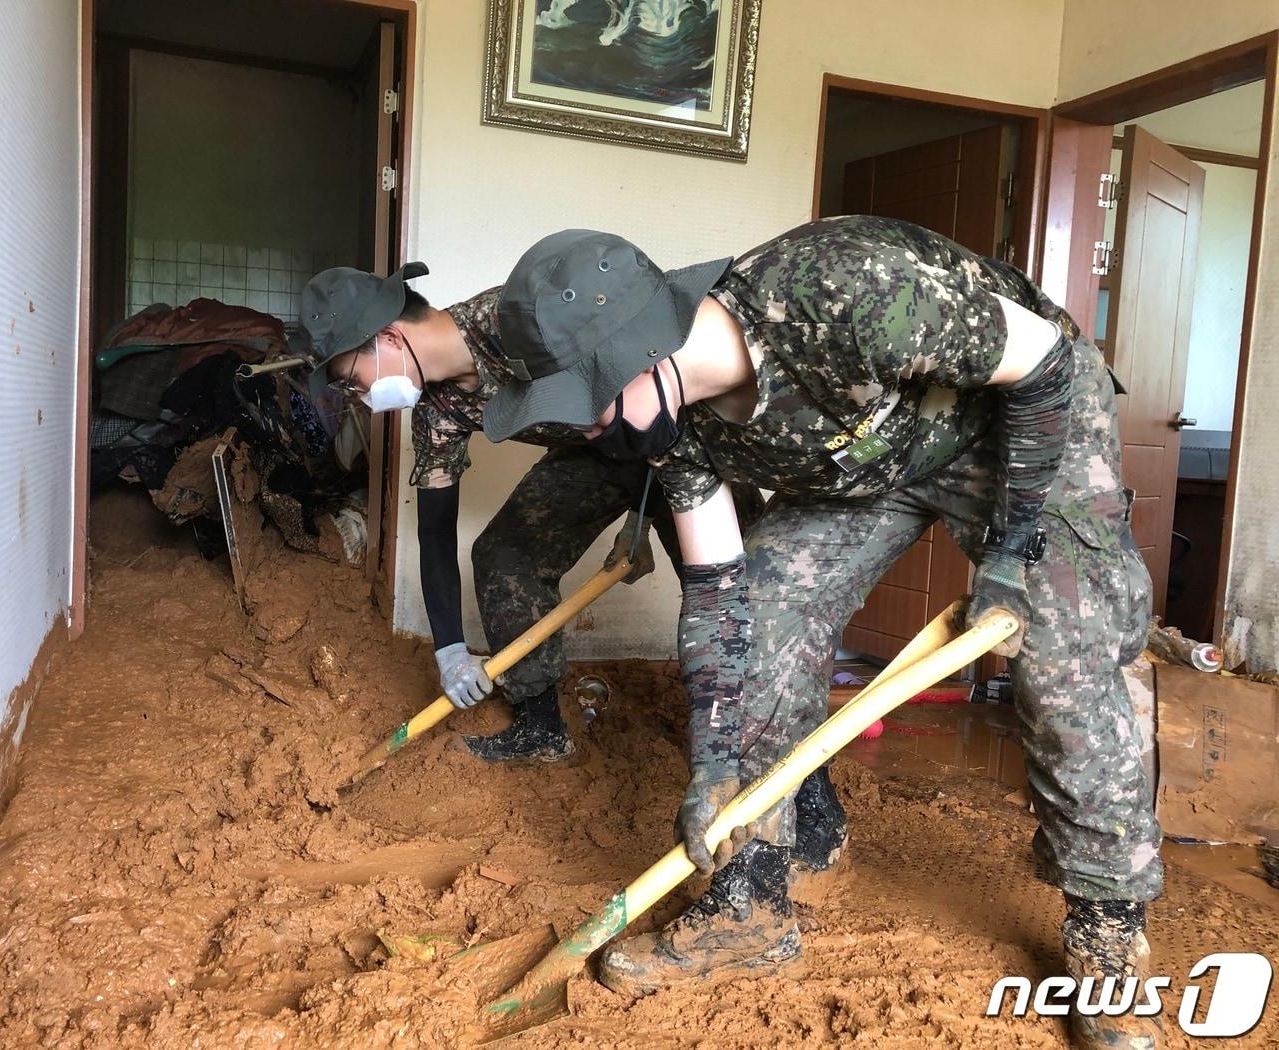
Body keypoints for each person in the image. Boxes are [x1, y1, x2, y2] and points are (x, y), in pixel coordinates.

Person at [483, 218, 1158, 1049]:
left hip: (1019, 423)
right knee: (766, 613)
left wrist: (1014, 548)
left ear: (638, 355)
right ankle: (750, 906)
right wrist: (718, 762)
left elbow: (1045, 365)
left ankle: (1108, 937)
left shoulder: (844, 294)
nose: (584, 432)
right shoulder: (676, 426)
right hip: (877, 463)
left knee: (1067, 659)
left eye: (582, 407)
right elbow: (722, 595)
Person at [302, 262, 762, 764]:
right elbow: (435, 529)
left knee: (738, 595)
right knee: (503, 556)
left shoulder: (524, 319)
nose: (361, 398)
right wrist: (449, 650)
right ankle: (541, 726)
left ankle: (773, 753)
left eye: (352, 380)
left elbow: (657, 379)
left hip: (681, 442)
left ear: (388, 339)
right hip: (593, 457)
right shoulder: (436, 412)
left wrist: (645, 516)